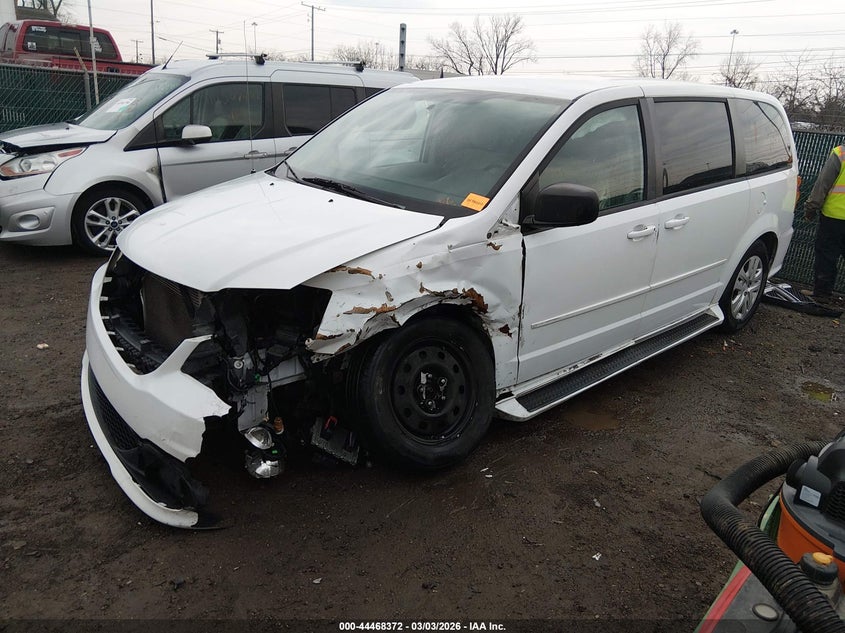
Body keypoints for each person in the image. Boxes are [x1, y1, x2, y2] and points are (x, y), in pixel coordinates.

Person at [803, 145, 845, 302]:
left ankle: (822, 294)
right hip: (835, 217)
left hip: (835, 217)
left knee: (826, 256)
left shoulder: (841, 153)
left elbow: (822, 183)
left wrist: (811, 208)